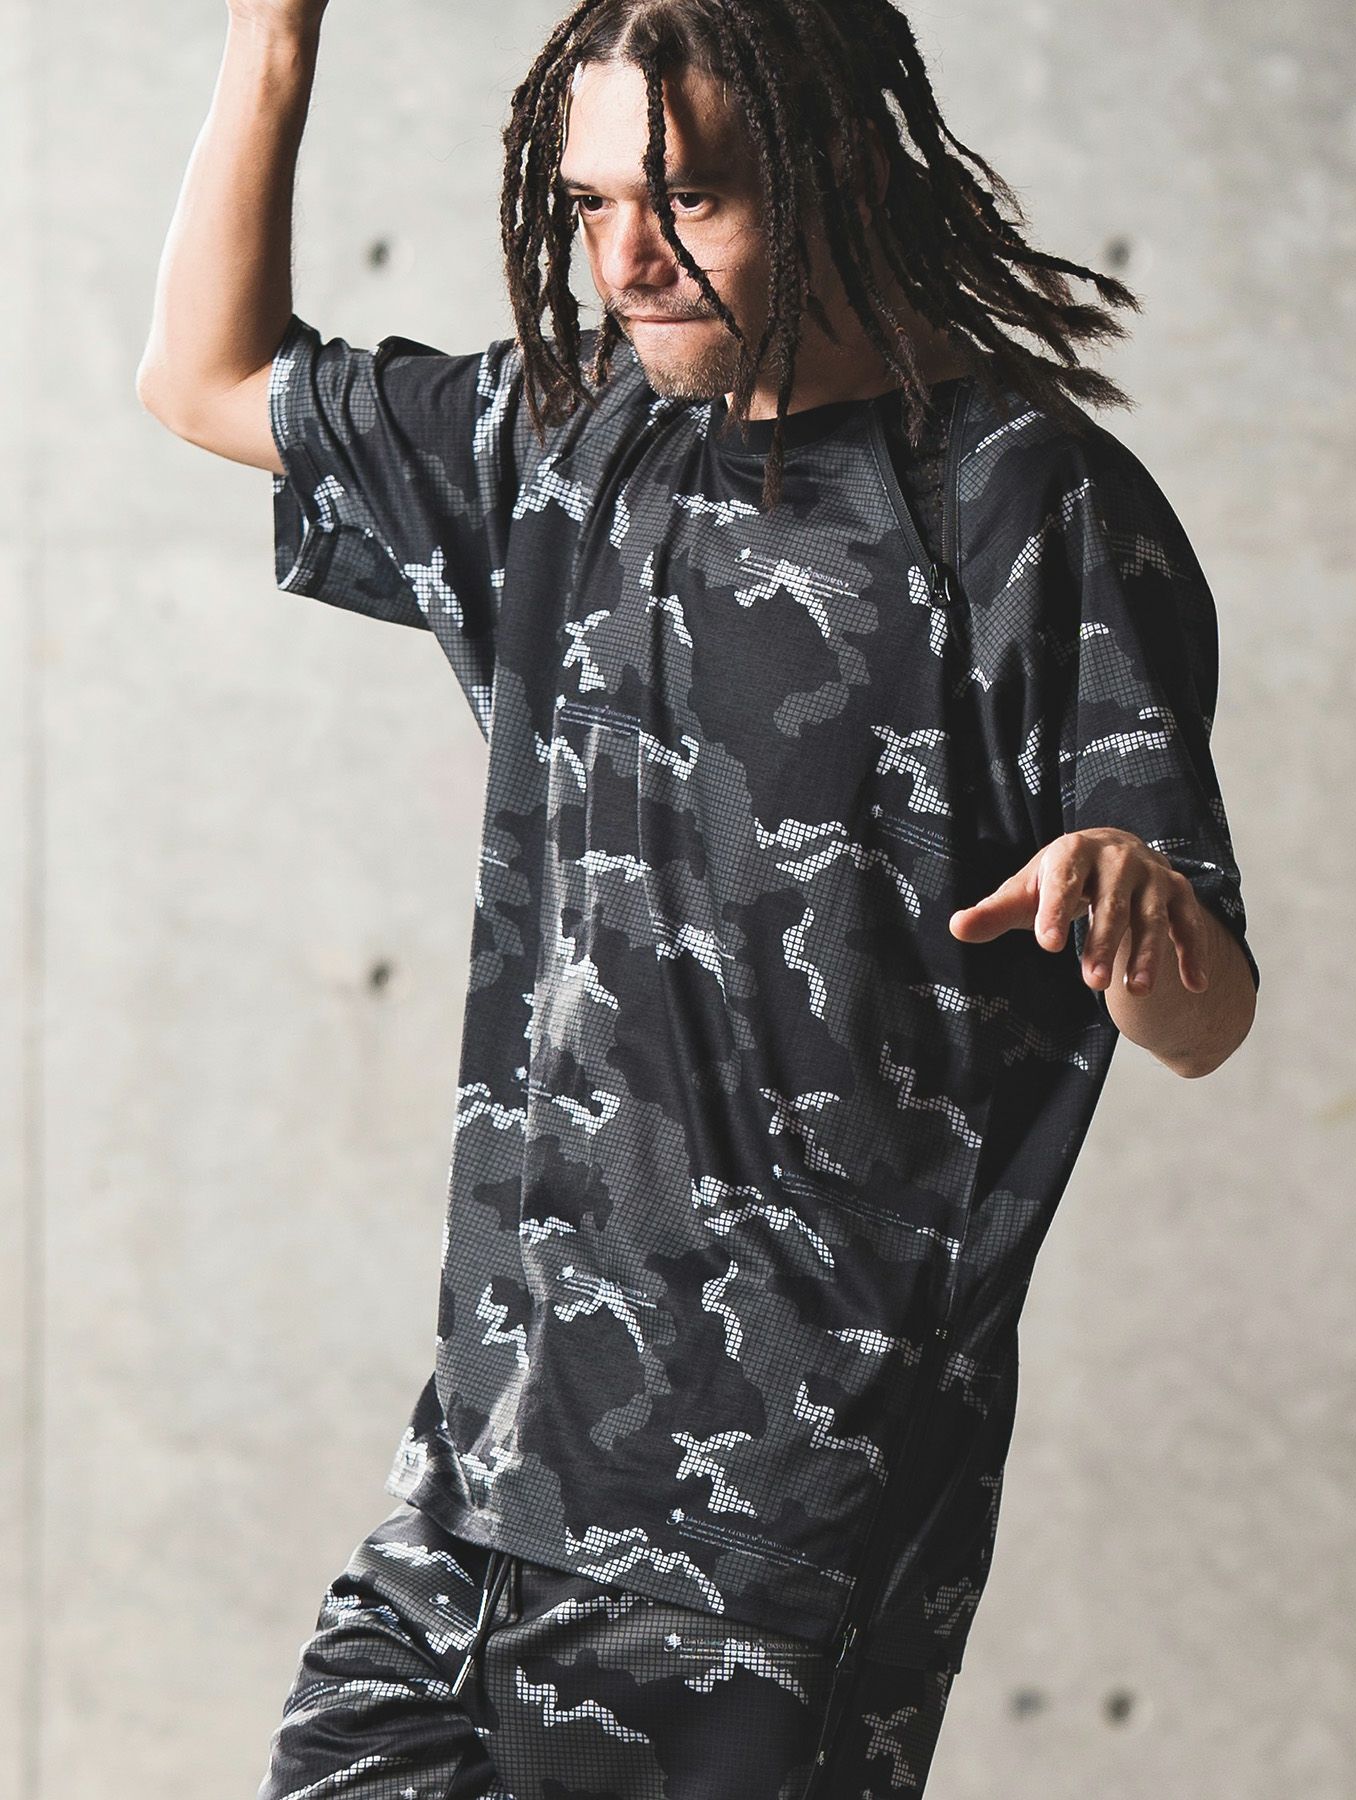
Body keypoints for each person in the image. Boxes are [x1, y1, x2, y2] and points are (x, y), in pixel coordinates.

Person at [136, 0, 1261, 1794]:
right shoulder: (570, 442)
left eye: (688, 198)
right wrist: (272, 41)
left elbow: (1203, 1022)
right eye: (591, 205)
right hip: (486, 1472)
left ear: (837, 174)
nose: (626, 257)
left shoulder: (1020, 507)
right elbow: (202, 382)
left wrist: (1135, 906)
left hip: (775, 1526)